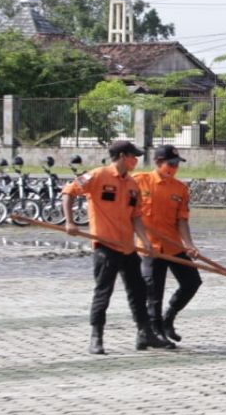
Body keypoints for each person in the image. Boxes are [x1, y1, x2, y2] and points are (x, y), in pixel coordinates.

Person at [62, 140, 171, 355]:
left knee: (139, 291)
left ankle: (144, 333)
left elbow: (136, 217)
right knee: (104, 292)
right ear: (122, 155)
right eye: (133, 156)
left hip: (128, 248)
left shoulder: (132, 185)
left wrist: (145, 241)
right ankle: (96, 337)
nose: (136, 160)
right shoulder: (97, 175)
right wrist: (70, 222)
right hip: (105, 246)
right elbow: (68, 192)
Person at [134, 145, 201, 346]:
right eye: (170, 164)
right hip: (150, 247)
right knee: (154, 291)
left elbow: (182, 220)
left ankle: (168, 318)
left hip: (173, 246)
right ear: (158, 163)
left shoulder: (180, 189)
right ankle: (154, 331)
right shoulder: (139, 182)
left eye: (176, 164)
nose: (174, 168)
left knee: (192, 282)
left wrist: (189, 245)